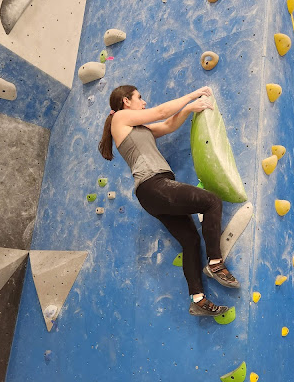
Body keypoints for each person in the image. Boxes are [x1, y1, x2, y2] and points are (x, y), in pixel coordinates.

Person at [98, 85, 240, 317]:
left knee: (190, 241)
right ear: (126, 101)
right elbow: (161, 112)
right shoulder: (120, 118)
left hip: (153, 193)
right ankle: (215, 263)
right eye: (139, 98)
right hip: (154, 185)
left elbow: (167, 125)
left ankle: (197, 299)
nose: (144, 102)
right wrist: (193, 95)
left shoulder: (138, 128)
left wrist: (189, 109)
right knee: (212, 201)